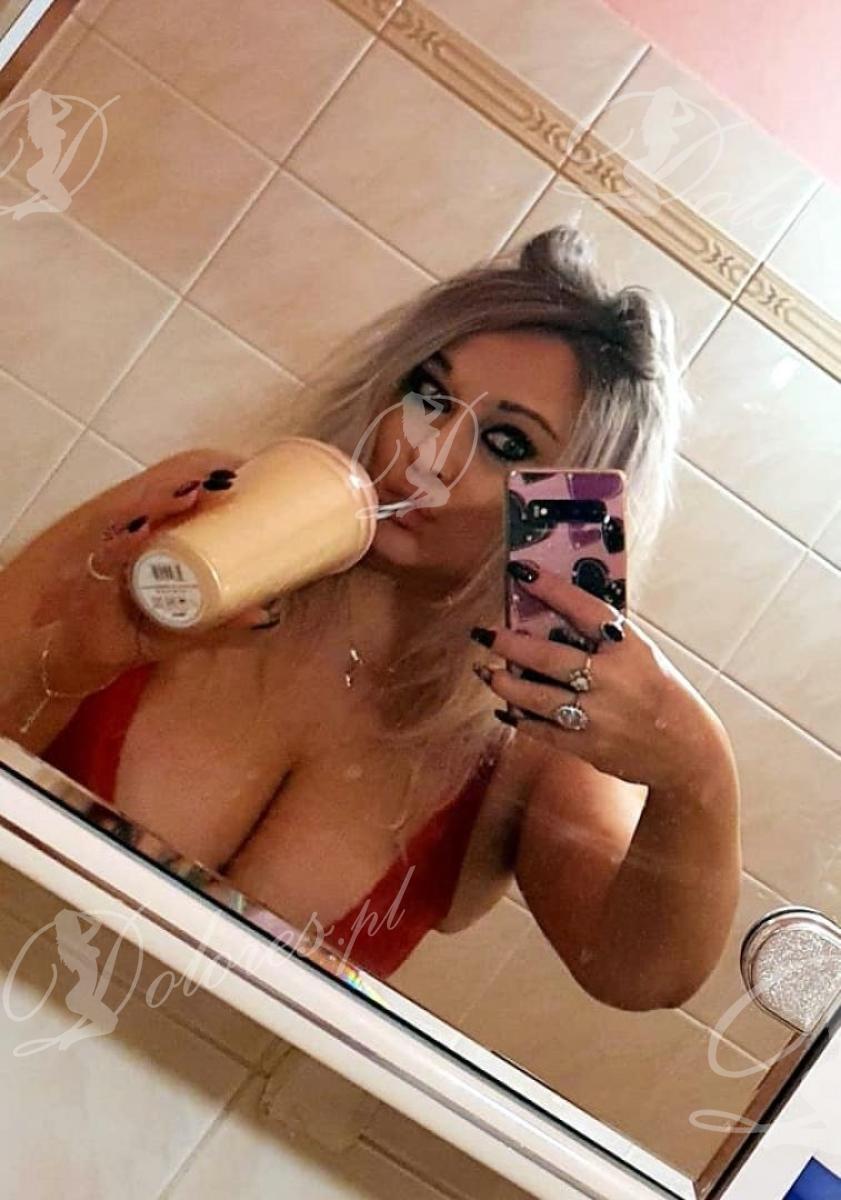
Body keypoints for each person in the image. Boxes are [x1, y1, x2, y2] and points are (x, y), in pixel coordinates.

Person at [0, 227, 741, 1005]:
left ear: (560, 514)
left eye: (504, 441)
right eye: (428, 397)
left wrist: (697, 772)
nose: (426, 455)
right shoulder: (197, 518)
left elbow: (637, 975)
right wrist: (81, 656)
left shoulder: (526, 731)